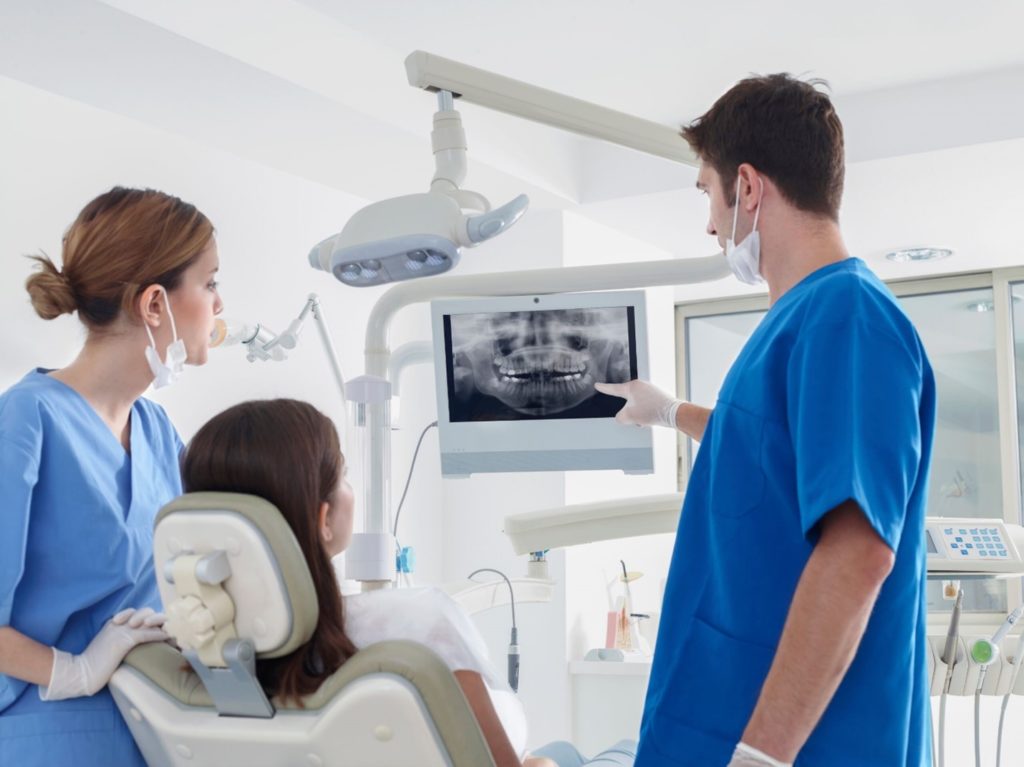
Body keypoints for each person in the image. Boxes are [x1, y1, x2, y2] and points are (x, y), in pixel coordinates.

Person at [596, 75, 936, 767]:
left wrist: (763, 755)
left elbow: (857, 549)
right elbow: (769, 452)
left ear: (747, 187)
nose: (711, 224)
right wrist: (668, 411)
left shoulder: (849, 316)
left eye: (708, 194)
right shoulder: (802, 320)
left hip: (803, 750)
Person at [180, 398, 636, 767]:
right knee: (623, 750)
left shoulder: (196, 652)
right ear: (323, 518)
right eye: (345, 477)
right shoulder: (418, 625)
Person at [0, 187, 224, 765]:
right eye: (210, 283)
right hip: (50, 735)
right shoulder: (28, 418)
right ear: (155, 305)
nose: (220, 307)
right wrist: (72, 669)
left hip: (155, 729)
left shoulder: (157, 430)